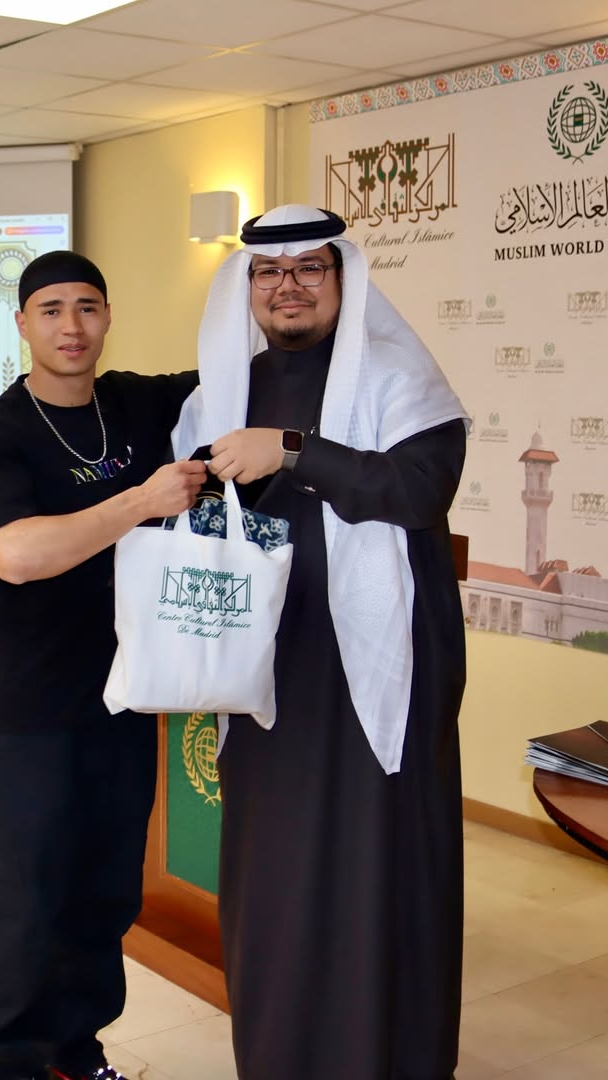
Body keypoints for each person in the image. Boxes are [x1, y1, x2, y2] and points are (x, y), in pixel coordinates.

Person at [172, 204, 470, 1079]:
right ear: (248, 287)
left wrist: (293, 451)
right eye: (269, 271)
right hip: (265, 669)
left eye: (310, 268)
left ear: (343, 278)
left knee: (378, 864)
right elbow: (190, 513)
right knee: (275, 872)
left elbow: (418, 491)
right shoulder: (217, 395)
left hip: (379, 672)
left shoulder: (396, 378)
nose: (289, 286)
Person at [0, 250, 204, 1080]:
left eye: (88, 307)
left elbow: (248, 375)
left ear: (107, 317)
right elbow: (17, 555)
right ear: (22, 324)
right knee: (27, 901)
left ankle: (75, 1052)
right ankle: (11, 1064)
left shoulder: (138, 402)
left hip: (124, 699)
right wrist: (140, 501)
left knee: (105, 894)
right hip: (31, 711)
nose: (72, 326)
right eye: (52, 309)